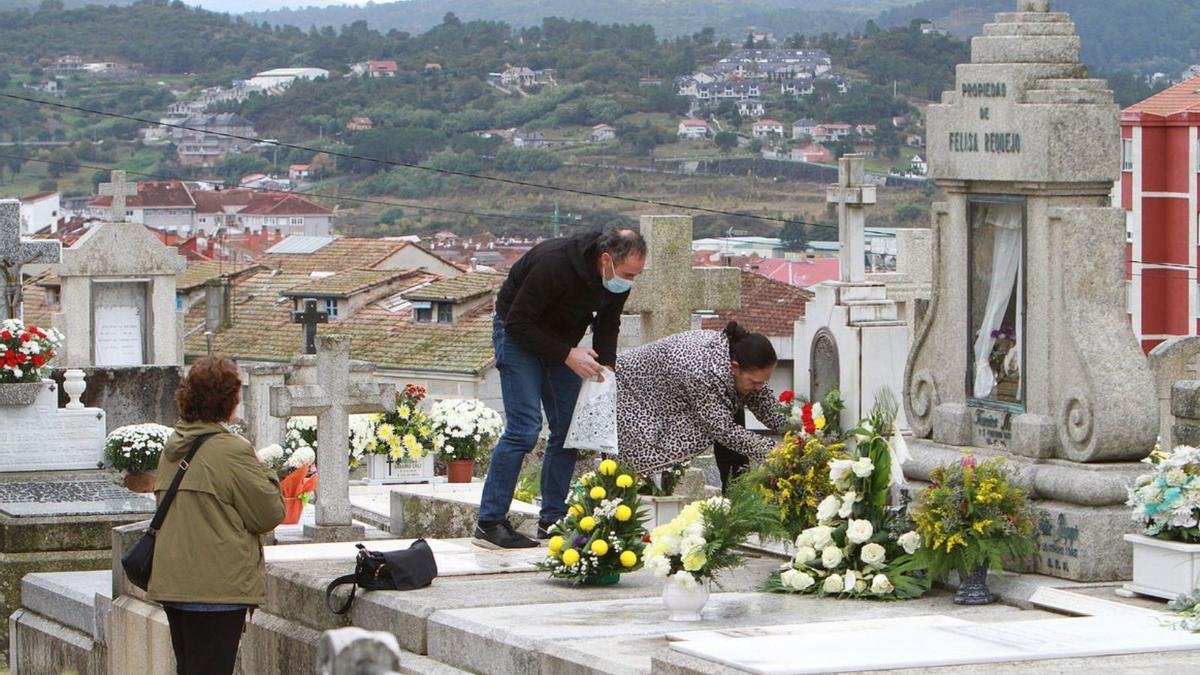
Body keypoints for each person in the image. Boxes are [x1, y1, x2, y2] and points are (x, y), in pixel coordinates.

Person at [475, 228, 647, 549]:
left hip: (561, 343)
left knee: (570, 429)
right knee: (524, 428)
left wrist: (606, 369)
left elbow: (608, 323)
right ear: (605, 259)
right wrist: (568, 354)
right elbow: (518, 322)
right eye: (628, 274)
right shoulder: (554, 263)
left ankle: (552, 520)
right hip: (517, 335)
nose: (630, 282)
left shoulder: (616, 279)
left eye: (636, 275)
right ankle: (490, 522)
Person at [147, 356, 286, 675]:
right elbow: (269, 513)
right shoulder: (231, 450)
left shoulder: (175, 445)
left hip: (175, 581)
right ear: (229, 401)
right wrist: (264, 468)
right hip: (215, 585)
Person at [616, 321, 788, 475]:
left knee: (735, 443)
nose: (760, 388)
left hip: (668, 390)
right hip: (628, 394)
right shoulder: (701, 372)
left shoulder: (737, 357)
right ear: (735, 366)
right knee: (628, 475)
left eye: (764, 382)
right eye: (755, 382)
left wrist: (801, 431)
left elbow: (767, 405)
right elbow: (722, 430)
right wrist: (777, 452)